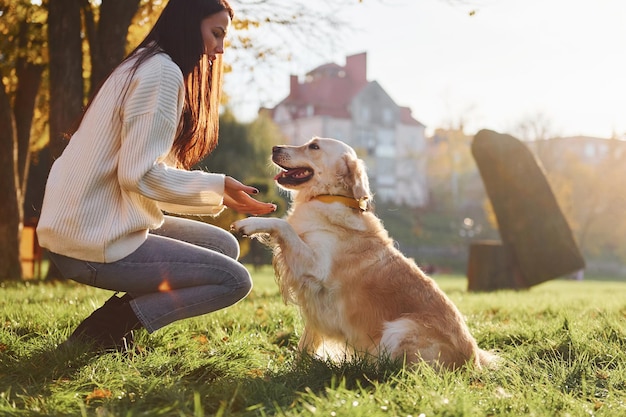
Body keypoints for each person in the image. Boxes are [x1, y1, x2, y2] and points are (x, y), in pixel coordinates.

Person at [37, 0, 276, 352]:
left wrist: (217, 191)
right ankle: (110, 327)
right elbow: (139, 175)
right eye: (216, 33)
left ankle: (116, 315)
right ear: (188, 23)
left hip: (89, 221)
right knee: (234, 281)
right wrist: (217, 186)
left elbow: (136, 172)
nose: (219, 48)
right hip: (91, 238)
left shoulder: (143, 62)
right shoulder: (162, 73)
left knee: (223, 245)